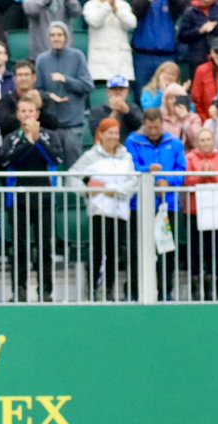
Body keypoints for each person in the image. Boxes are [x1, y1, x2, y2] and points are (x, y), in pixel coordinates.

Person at [1, 94, 65, 301]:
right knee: (19, 246)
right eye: (23, 111)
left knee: (45, 246)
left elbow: (56, 158)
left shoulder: (49, 136)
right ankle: (18, 290)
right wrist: (28, 141)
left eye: (31, 111)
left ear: (37, 113)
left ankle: (45, 291)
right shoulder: (12, 138)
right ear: (18, 115)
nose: (27, 115)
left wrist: (38, 140)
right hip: (17, 199)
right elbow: (6, 160)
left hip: (44, 198)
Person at [68, 116, 138, 300]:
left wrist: (115, 191)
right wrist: (86, 191)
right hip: (99, 211)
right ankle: (92, 288)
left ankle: (109, 289)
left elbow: (133, 181)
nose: (113, 137)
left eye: (116, 133)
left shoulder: (126, 156)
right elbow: (72, 176)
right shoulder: (91, 156)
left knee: (115, 252)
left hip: (120, 211)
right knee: (98, 251)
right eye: (110, 133)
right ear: (101, 134)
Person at [125, 108, 186, 299]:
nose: (153, 131)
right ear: (144, 124)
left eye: (156, 127)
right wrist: (148, 171)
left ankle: (165, 290)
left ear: (162, 124)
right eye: (149, 127)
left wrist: (167, 181)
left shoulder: (174, 143)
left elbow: (181, 170)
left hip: (168, 205)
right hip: (139, 205)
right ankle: (134, 291)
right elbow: (130, 167)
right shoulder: (132, 142)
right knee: (137, 249)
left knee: (166, 249)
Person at [183, 125, 218, 300]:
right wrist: (202, 175)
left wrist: (213, 175)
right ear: (197, 142)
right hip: (194, 210)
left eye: (208, 139)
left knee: (215, 251)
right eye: (202, 140)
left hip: (216, 212)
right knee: (195, 250)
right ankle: (196, 288)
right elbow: (186, 179)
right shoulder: (189, 157)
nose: (205, 143)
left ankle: (215, 287)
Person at [35, 21, 93, 161]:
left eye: (59, 35)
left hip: (73, 125)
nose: (56, 38)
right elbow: (37, 90)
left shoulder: (77, 56)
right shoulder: (41, 60)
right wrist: (49, 95)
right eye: (52, 35)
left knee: (74, 167)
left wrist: (66, 80)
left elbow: (87, 86)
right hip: (50, 126)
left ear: (66, 37)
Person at [129, 0, 185, 97]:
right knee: (140, 92)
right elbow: (135, 12)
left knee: (168, 92)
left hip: (166, 55)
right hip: (143, 56)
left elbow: (182, 8)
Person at [0, 59, 57, 135]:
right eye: (20, 75)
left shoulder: (45, 99)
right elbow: (3, 125)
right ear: (14, 79)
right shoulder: (6, 100)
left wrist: (39, 107)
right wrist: (21, 113)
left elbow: (53, 125)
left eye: (27, 74)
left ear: (34, 78)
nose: (23, 78)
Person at [83, 0, 138, 82]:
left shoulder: (123, 5)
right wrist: (108, 6)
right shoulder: (90, 5)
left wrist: (116, 10)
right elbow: (95, 22)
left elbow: (131, 24)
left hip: (121, 63)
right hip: (99, 65)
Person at [176, 0, 218, 68]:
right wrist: (200, 30)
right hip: (198, 60)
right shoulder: (190, 12)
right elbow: (182, 37)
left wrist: (214, 29)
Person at [160, 82, 201, 150]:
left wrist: (185, 119)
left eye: (177, 98)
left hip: (186, 155)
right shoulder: (159, 118)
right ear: (165, 101)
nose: (174, 101)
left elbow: (196, 143)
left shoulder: (193, 118)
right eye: (171, 98)